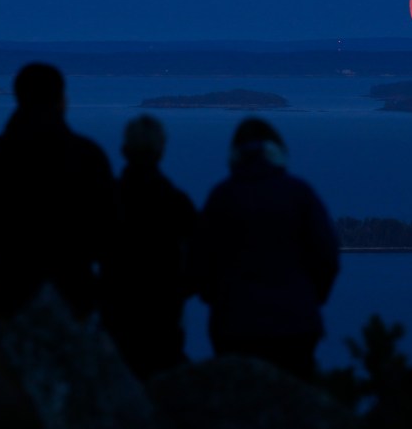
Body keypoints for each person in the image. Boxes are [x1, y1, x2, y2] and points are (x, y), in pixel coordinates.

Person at [0, 62, 118, 322]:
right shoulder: (87, 155)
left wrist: (9, 259)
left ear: (18, 96)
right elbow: (110, 225)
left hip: (11, 291)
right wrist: (78, 259)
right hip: (74, 289)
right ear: (60, 98)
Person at [190, 116, 340, 381]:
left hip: (234, 325)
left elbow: (199, 262)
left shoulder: (221, 197)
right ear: (277, 152)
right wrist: (309, 298)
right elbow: (327, 256)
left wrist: (218, 298)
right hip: (296, 325)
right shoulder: (300, 194)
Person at [99, 114, 198, 380]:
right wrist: (179, 289)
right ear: (161, 150)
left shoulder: (108, 201)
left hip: (116, 315)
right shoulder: (177, 203)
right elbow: (200, 263)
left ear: (124, 150)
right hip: (164, 318)